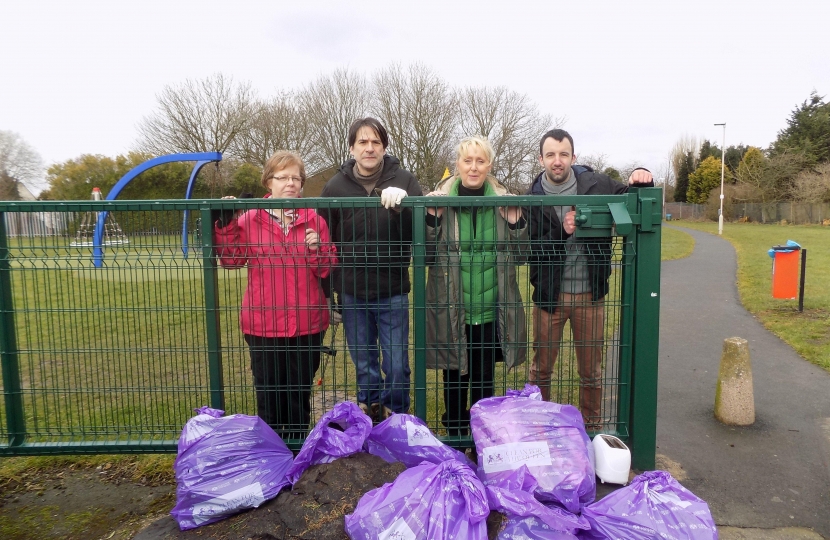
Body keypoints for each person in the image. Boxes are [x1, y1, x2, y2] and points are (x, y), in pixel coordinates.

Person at [525, 129, 653, 430]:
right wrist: (562, 232)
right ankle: (540, 431)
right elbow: (530, 248)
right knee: (541, 371)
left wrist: (640, 174)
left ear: (574, 156)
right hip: (548, 298)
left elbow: (631, 196)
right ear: (541, 158)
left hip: (590, 297)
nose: (558, 161)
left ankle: (592, 430)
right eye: (551, 155)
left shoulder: (597, 185)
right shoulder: (532, 198)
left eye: (564, 154)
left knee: (592, 373)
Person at [214, 150, 337, 440]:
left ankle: (295, 455)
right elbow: (232, 260)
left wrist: (317, 249)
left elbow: (327, 269)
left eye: (296, 177)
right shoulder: (250, 218)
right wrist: (226, 223)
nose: (291, 183)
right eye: (283, 177)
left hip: (307, 324)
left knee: (298, 395)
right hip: (263, 325)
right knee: (269, 396)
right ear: (268, 182)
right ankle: (269, 457)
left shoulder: (313, 219)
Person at [319, 118, 423, 422]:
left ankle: (397, 416)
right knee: (364, 362)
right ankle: (369, 411)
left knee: (396, 364)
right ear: (352, 148)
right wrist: (329, 293)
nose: (369, 148)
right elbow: (325, 242)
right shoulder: (334, 187)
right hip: (352, 293)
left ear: (384, 147)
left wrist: (406, 206)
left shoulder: (404, 180)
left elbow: (420, 233)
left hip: (392, 291)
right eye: (362, 142)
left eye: (376, 142)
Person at [424, 135, 528, 437]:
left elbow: (522, 255)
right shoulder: (439, 199)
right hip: (453, 308)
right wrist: (432, 220)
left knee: (484, 379)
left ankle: (483, 439)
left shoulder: (504, 201)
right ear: (457, 164)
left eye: (480, 161)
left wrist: (515, 224)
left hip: (490, 310)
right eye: (467, 160)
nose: (473, 167)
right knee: (454, 378)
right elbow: (426, 256)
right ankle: (455, 436)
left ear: (489, 165)